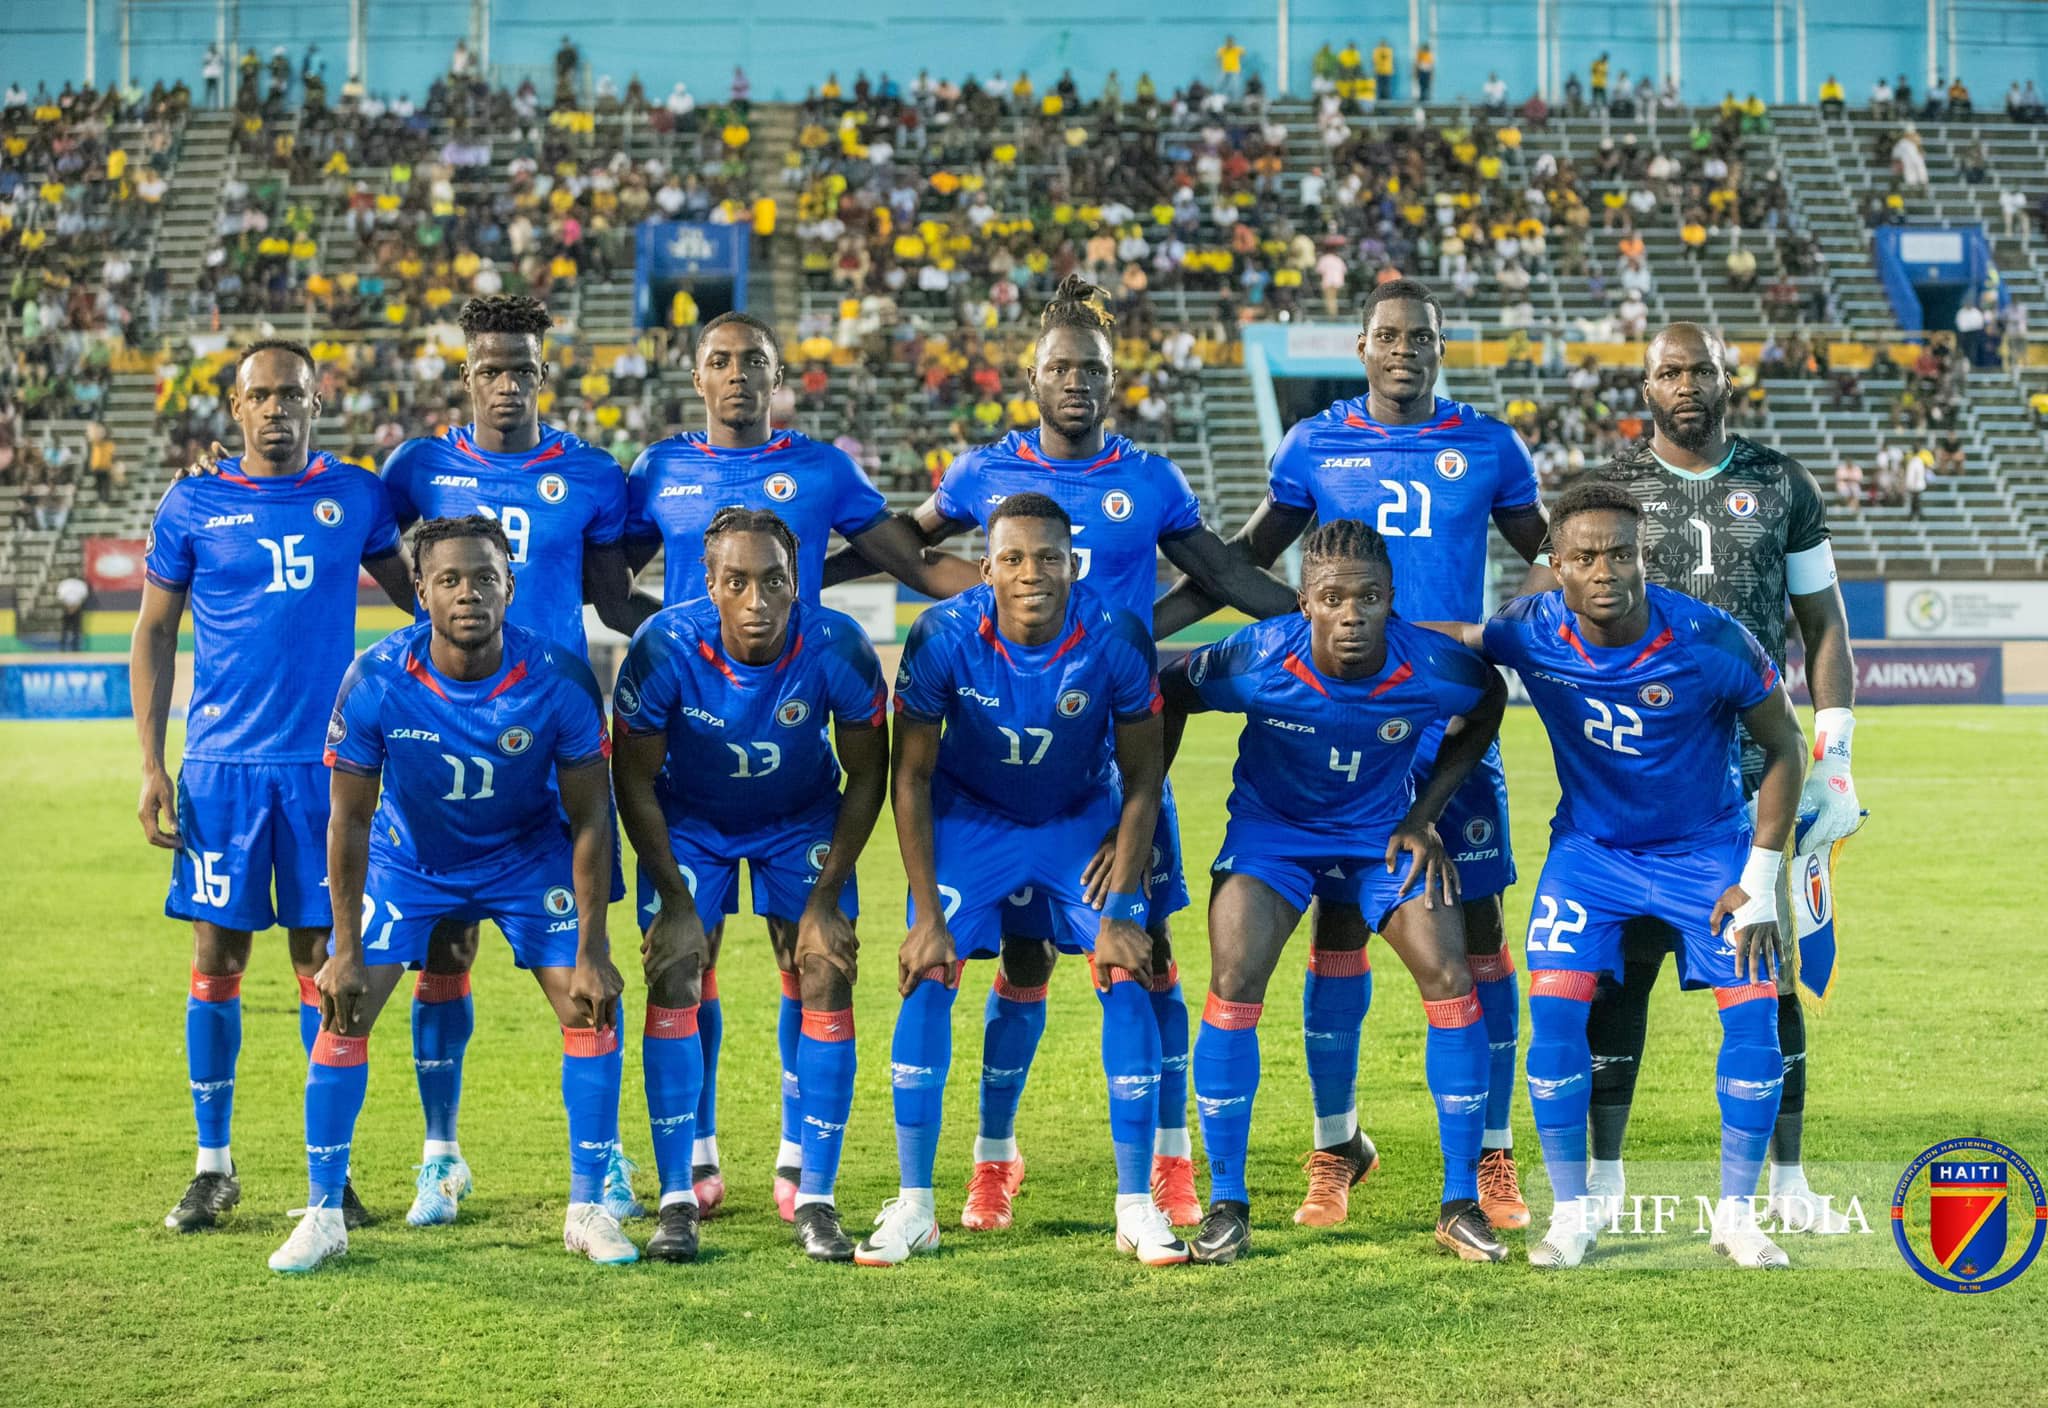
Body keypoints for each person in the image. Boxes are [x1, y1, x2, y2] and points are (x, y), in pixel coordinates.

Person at [822, 276, 1296, 1234]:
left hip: (1112, 755)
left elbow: (1223, 577)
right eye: (1059, 368)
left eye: (1093, 369)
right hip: (1000, 753)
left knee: (1149, 958)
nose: (1076, 381)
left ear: (1114, 381)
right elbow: (901, 548)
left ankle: (1166, 1172)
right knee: (1025, 966)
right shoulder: (981, 474)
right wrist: (798, 581)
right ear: (1031, 378)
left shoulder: (1150, 479)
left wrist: (1145, 631)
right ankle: (993, 1164)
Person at [1154, 278, 1551, 1233]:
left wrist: (1488, 632)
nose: (1403, 348)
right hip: (1338, 715)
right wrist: (1138, 629)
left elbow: (1553, 558)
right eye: (1387, 335)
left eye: (1421, 334)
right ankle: (1336, 1150)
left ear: (1441, 345)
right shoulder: (1314, 443)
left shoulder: (1490, 445)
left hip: (1436, 707)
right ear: (1362, 348)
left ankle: (1490, 1156)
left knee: (1480, 942)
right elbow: (1244, 559)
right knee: (1337, 933)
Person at [623, 310, 977, 1217]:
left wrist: (1013, 580)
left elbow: (916, 564)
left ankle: (794, 1160)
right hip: (694, 767)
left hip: (796, 762)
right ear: (695, 376)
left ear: (779, 377)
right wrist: (683, 654)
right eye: (720, 361)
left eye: (755, 362)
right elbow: (598, 573)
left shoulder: (822, 470)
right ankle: (695, 1153)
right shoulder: (655, 472)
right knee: (681, 964)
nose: (737, 374)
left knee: (810, 957)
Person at [1433, 479, 1806, 1269]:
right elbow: (1451, 637)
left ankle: (1737, 1215)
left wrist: (1762, 877)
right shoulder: (1528, 631)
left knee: (1753, 1017)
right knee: (1556, 1019)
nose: (1608, 570)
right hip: (1590, 858)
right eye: (1588, 556)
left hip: (1708, 853)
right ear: (1557, 567)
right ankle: (1573, 1211)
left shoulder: (1711, 639)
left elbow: (1786, 747)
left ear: (1645, 558)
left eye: (1623, 553)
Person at [271, 515, 629, 1273]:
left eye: (485, 579)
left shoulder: (559, 679)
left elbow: (594, 814)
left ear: (510, 587)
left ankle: (589, 1207)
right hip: (412, 860)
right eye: (450, 580)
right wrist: (342, 947)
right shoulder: (375, 679)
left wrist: (593, 949)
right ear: (422, 594)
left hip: (526, 858)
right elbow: (349, 818)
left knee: (591, 1002)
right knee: (344, 1001)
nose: (469, 594)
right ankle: (324, 1213)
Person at [1579, 323, 1862, 1235]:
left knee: (1767, 977)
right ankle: (1604, 1177)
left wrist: (1838, 754)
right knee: (1623, 978)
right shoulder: (1611, 489)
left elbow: (1821, 623)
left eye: (1701, 368)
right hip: (1644, 782)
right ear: (1644, 386)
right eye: (1669, 371)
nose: (1686, 384)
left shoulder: (1782, 483)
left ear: (1727, 378)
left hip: (1756, 783)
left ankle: (1788, 1184)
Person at [1163, 520, 1509, 1265]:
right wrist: (1142, 796)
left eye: (1368, 599)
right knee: (1233, 982)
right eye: (1333, 599)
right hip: (1273, 836)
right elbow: (1166, 695)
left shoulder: (1433, 665)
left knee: (1451, 977)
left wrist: (1425, 815)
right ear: (1304, 603)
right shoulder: (1256, 659)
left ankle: (1458, 1203)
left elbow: (1488, 701)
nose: (1351, 614)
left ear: (1391, 600)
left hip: (1382, 834)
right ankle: (1227, 1205)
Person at [855, 493, 1180, 1268]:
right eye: (1012, 558)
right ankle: (916, 1207)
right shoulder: (941, 635)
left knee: (1123, 970)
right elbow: (911, 777)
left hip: (1077, 818)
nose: (1031, 573)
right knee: (928, 970)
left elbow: (1141, 781)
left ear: (1074, 563)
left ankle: (1137, 1207)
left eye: (1048, 557)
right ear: (988, 567)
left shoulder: (1118, 638)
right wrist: (927, 912)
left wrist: (1122, 903)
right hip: (973, 823)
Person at [132, 340, 414, 1234]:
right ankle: (212, 1167)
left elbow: (424, 597)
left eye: (292, 395)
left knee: (323, 966)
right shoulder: (193, 500)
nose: (276, 410)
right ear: (235, 408)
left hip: (326, 773)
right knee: (218, 959)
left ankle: (325, 1175)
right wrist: (148, 764)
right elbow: (152, 633)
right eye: (261, 397)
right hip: (221, 772)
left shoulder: (358, 496)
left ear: (317, 402)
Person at [611, 508, 889, 1264]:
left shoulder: (837, 647)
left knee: (825, 967)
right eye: (736, 581)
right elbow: (632, 782)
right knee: (675, 968)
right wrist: (673, 901)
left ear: (797, 581)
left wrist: (827, 900)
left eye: (773, 580)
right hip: (691, 821)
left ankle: (814, 1192)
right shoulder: (663, 646)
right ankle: (679, 1192)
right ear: (710, 583)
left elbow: (867, 772)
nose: (757, 599)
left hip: (798, 821)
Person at [56, 573, 89, 650]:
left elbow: (60, 596)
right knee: (73, 629)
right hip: (74, 608)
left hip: (69, 608)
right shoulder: (80, 584)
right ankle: (71, 647)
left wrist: (69, 607)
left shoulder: (64, 584)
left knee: (69, 629)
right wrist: (74, 607)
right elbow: (83, 596)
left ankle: (65, 647)